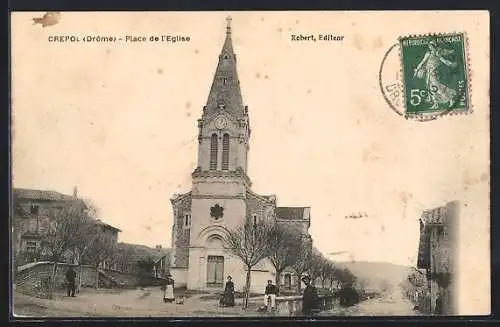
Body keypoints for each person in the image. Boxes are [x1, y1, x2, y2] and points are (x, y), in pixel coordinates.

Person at [413, 40, 458, 110]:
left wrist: (451, 64)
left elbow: (444, 61)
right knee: (431, 88)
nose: (430, 47)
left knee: (438, 88)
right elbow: (422, 62)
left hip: (434, 73)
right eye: (429, 46)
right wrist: (417, 71)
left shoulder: (438, 53)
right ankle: (435, 104)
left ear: (434, 46)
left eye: (431, 46)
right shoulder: (428, 53)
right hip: (428, 73)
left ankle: (451, 100)